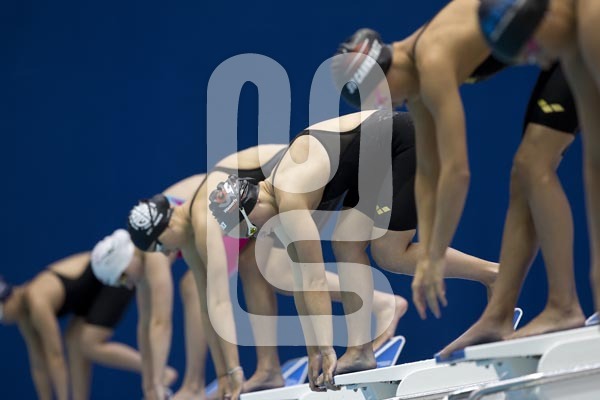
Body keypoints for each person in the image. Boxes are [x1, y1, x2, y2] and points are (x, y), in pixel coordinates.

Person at [332, 0, 586, 332]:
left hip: (577, 30)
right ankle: (500, 314)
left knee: (533, 165)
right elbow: (428, 173)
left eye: (382, 97)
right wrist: (428, 255)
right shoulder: (415, 81)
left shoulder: (431, 60)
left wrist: (435, 256)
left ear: (386, 73)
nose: (390, 105)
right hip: (561, 47)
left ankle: (563, 306)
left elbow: (457, 171)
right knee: (526, 171)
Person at [208, 110, 498, 390]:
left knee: (390, 252)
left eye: (252, 228)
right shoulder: (280, 204)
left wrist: (326, 348)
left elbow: (315, 281)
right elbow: (302, 284)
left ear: (255, 204)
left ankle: (494, 275)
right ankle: (360, 351)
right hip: (376, 159)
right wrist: (314, 350)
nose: (258, 233)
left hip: (406, 142)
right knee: (346, 243)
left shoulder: (290, 195)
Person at [126, 144, 409, 400]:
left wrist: (234, 371)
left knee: (279, 271)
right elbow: (207, 307)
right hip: (266, 187)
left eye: (159, 246)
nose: (163, 253)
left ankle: (382, 303)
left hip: (296, 175)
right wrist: (224, 374)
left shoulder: (203, 219)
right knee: (251, 263)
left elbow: (221, 302)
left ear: (167, 226)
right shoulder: (187, 232)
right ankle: (268, 369)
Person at [477, 0, 600, 329]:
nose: (542, 61)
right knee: (529, 164)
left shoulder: (592, 21)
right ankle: (525, 311)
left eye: (532, 48)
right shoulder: (572, 49)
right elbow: (595, 159)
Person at [93, 174, 208, 400]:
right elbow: (144, 326)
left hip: (224, 198)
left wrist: (157, 383)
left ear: (125, 260)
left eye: (123, 277)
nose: (127, 285)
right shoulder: (142, 249)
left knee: (192, 287)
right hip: (210, 205)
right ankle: (195, 385)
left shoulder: (149, 247)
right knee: (193, 285)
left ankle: (195, 386)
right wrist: (149, 387)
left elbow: (161, 323)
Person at [0, 255, 176, 400]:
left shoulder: (37, 301)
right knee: (73, 341)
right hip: (91, 292)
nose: (3, 321)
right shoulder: (24, 316)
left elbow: (55, 358)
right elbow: (39, 366)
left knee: (89, 343)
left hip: (115, 271)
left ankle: (160, 373)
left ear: (8, 299)